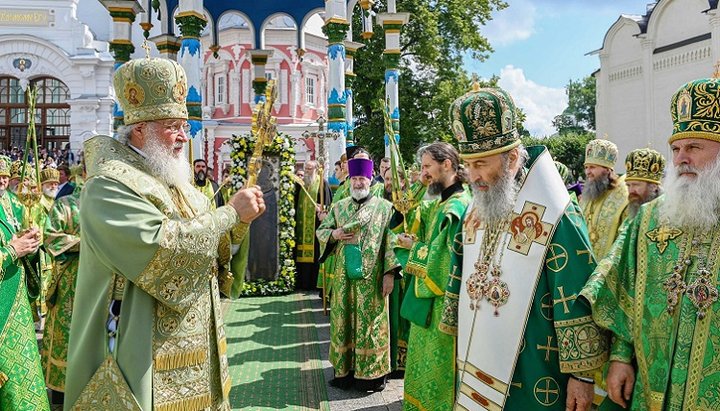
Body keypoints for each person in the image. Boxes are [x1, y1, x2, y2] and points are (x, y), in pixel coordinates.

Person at [64, 56, 265, 410]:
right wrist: (230, 213)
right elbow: (163, 249)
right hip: (138, 344)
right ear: (139, 128)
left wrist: (240, 223)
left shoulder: (177, 184)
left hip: (195, 343)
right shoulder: (108, 187)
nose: (183, 137)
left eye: (184, 126)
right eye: (173, 126)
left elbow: (213, 247)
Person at [442, 86, 606, 411]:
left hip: (537, 367)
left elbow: (575, 290)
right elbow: (462, 270)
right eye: (468, 165)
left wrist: (583, 376)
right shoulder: (478, 207)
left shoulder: (556, 212)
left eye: (481, 164)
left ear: (512, 158)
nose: (472, 176)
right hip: (480, 351)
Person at [581, 75, 720, 411]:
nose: (681, 159)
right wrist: (620, 357)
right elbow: (622, 287)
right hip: (652, 385)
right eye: (676, 149)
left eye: (694, 148)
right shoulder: (649, 218)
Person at [397, 142, 471, 411]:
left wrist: (412, 247)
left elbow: (445, 262)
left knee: (438, 376)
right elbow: (413, 216)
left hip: (443, 302)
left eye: (428, 166)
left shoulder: (458, 206)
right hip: (427, 300)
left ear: (447, 165)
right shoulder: (441, 202)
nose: (423, 172)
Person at [316, 157, 400, 392]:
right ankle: (344, 373)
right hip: (344, 279)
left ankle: (372, 376)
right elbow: (321, 231)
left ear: (371, 179)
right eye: (354, 178)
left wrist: (389, 274)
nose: (358, 182)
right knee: (343, 323)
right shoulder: (339, 206)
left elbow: (391, 243)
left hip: (373, 279)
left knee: (371, 326)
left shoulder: (385, 208)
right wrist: (335, 234)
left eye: (362, 178)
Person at [0, 155, 50, 410]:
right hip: (2, 309)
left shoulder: (7, 206)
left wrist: (29, 244)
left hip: (15, 305)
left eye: (5, 177)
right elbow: (8, 250)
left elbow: (12, 243)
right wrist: (12, 251)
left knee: (22, 373)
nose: (2, 182)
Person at [41, 164, 83, 405]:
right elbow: (52, 238)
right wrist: (84, 243)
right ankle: (61, 393)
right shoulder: (65, 204)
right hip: (70, 283)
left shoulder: (109, 206)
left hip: (104, 282)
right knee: (66, 336)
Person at [580, 138, 628, 260]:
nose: (588, 172)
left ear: (607, 169)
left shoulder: (624, 196)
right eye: (586, 167)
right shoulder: (588, 195)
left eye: (592, 167)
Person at [294, 160, 333, 291]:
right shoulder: (301, 185)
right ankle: (301, 283)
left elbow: (328, 205)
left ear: (316, 169)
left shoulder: (322, 183)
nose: (307, 171)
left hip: (315, 226)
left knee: (314, 254)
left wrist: (322, 208)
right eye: (306, 168)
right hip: (300, 227)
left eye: (310, 169)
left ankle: (312, 283)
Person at [623, 148, 665, 220]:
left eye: (636, 185)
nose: (631, 190)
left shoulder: (666, 212)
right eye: (628, 185)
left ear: (654, 186)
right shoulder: (628, 214)